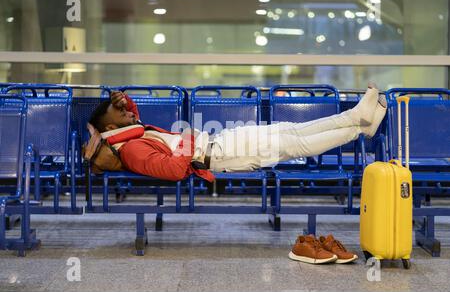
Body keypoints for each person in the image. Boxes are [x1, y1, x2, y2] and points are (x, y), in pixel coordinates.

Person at [88, 84, 386, 183]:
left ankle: (357, 118)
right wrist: (189, 137)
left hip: (220, 143)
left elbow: (134, 117)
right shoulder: (131, 150)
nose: (129, 113)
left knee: (291, 130)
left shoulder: (133, 135)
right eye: (122, 113)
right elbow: (173, 171)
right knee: (294, 144)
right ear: (112, 128)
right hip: (220, 154)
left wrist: (124, 101)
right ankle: (357, 129)